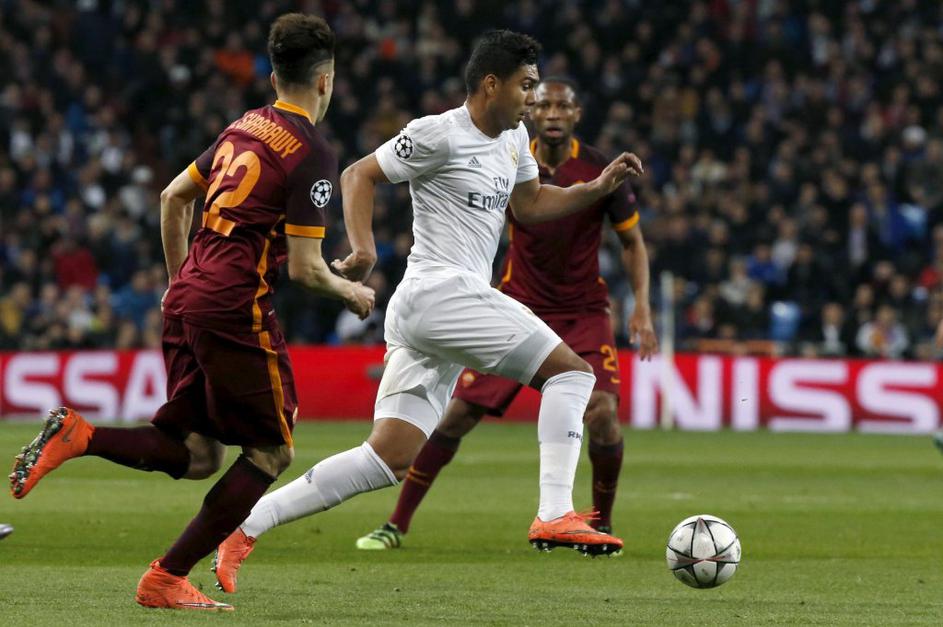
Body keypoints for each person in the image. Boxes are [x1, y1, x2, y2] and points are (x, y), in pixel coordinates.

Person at [213, 30, 643, 593]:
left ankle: (243, 526)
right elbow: (358, 174)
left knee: (388, 458)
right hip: (439, 291)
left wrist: (597, 186)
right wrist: (364, 249)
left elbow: (532, 204)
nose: (533, 100)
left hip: (434, 310)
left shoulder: (515, 139)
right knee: (573, 375)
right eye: (526, 86)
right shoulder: (438, 133)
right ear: (491, 84)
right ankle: (555, 510)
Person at [8, 14, 373, 612]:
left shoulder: (243, 127)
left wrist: (182, 281)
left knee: (201, 454)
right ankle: (166, 577)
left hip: (188, 299)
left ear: (274, 76)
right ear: (326, 81)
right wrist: (351, 291)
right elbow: (307, 271)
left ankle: (83, 435)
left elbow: (172, 196)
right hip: (235, 308)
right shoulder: (311, 152)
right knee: (272, 452)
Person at [354, 77, 657, 551]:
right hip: (518, 302)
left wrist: (642, 307)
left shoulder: (599, 167)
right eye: (545, 104)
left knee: (602, 411)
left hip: (583, 310)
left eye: (563, 106)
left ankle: (597, 525)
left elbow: (632, 242)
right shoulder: (511, 151)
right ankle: (396, 523)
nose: (552, 113)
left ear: (576, 114)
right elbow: (522, 205)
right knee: (457, 415)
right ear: (532, 110)